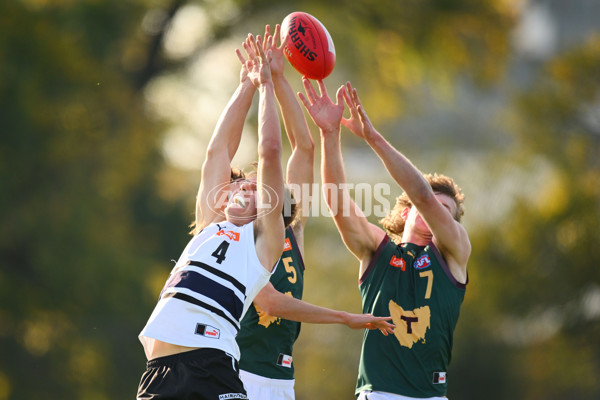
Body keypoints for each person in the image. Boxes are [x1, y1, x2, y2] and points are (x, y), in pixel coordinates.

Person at [235, 25, 395, 400]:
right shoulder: (245, 238)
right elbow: (272, 302)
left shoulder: (294, 228)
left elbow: (303, 148)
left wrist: (280, 77)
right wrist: (344, 317)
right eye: (258, 184)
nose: (269, 186)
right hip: (239, 370)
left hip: (281, 376)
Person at [137, 34, 292, 400]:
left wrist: (268, 87)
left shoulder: (262, 247)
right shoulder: (210, 224)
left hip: (213, 366)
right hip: (160, 373)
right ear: (223, 199)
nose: (245, 189)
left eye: (257, 190)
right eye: (241, 185)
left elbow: (270, 152)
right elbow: (217, 150)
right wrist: (244, 86)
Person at [299, 79, 471, 400]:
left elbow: (421, 194)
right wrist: (330, 134)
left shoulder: (454, 252)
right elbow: (338, 204)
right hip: (378, 394)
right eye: (434, 206)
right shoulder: (378, 251)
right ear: (406, 212)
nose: (439, 215)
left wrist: (372, 138)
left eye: (448, 212)